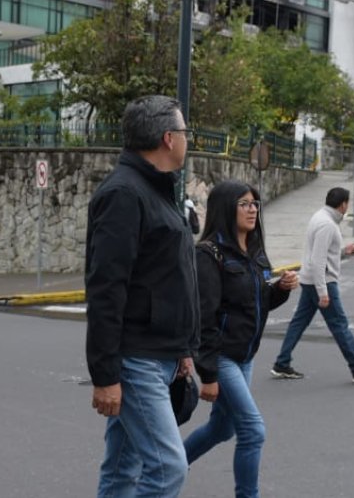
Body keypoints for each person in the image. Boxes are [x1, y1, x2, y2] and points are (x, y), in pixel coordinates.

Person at [85, 95, 199, 498]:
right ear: (168, 138)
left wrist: (183, 348)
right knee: (168, 469)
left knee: (122, 466)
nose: (189, 139)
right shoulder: (124, 194)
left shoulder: (157, 190)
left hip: (160, 354)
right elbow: (105, 290)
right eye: (186, 132)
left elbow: (168, 278)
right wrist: (105, 376)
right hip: (136, 361)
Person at [184, 180, 297, 498]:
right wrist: (208, 374)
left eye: (255, 204)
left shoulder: (255, 251)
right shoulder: (209, 254)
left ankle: (169, 464)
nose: (253, 210)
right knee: (252, 430)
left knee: (224, 428)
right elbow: (204, 318)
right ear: (226, 208)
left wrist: (280, 290)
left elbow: (257, 302)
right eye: (245, 204)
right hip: (222, 356)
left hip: (245, 355)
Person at [271, 187, 354, 384]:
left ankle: (282, 363)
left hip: (310, 280)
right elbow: (318, 260)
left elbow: (323, 252)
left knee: (299, 322)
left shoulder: (320, 217)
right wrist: (323, 291)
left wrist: (343, 251)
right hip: (321, 282)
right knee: (340, 326)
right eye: (348, 204)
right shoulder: (327, 225)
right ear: (343, 204)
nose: (348, 207)